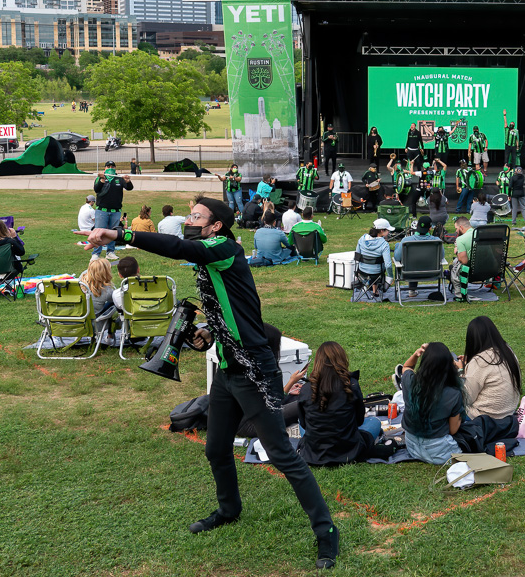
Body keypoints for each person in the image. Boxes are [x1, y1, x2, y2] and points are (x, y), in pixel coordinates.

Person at [77, 196, 338, 567]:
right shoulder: (210, 259)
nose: (189, 220)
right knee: (216, 449)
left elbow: (177, 246)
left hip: (253, 372)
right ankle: (229, 510)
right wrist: (207, 335)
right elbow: (228, 312)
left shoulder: (223, 247)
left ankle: (327, 533)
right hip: (228, 370)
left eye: (197, 216)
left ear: (215, 225)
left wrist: (120, 233)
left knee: (283, 455)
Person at [294, 341, 394, 467]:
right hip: (348, 448)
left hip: (314, 451)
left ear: (317, 362)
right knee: (374, 422)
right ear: (342, 359)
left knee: (301, 423)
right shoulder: (351, 385)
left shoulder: (306, 389)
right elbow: (359, 421)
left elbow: (303, 423)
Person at [399, 341, 465, 464]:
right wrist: (460, 369)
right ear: (448, 366)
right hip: (440, 453)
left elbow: (406, 367)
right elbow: (453, 430)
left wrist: (416, 354)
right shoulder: (453, 393)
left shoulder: (410, 382)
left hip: (412, 447)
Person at [456, 316, 522, 420]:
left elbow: (465, 398)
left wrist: (460, 371)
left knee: (449, 402)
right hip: (509, 411)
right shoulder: (507, 350)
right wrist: (469, 365)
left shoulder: (479, 362)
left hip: (486, 419)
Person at [93, 161, 133, 260]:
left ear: (115, 168)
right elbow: (96, 189)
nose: (110, 167)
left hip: (116, 210)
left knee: (113, 232)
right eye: (108, 166)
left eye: (112, 166)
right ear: (105, 168)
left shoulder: (119, 179)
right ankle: (96, 253)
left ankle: (110, 252)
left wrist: (128, 181)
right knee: (99, 232)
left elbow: (129, 188)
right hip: (102, 210)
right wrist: (102, 179)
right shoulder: (100, 178)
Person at [393, 215, 440, 298]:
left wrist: (397, 246)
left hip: (408, 273)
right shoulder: (437, 241)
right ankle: (412, 289)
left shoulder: (406, 241)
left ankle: (412, 290)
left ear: (417, 227)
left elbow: (397, 258)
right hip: (432, 273)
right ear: (430, 228)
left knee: (413, 262)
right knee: (419, 261)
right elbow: (441, 256)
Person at [79, 257, 117, 343]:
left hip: (79, 317)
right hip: (95, 321)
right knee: (114, 303)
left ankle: (78, 336)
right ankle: (110, 335)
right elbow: (115, 299)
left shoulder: (81, 282)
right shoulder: (107, 291)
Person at [355, 219, 394, 297]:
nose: (389, 232)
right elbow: (388, 265)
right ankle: (375, 291)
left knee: (372, 267)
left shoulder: (362, 239)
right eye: (388, 230)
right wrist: (390, 277)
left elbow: (357, 256)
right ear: (382, 231)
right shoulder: (384, 244)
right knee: (376, 268)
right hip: (376, 273)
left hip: (362, 271)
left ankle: (366, 286)